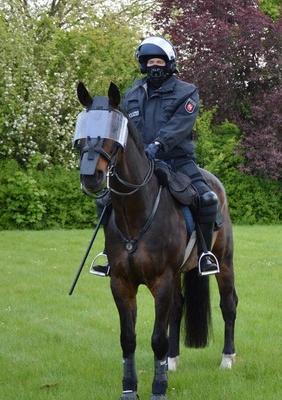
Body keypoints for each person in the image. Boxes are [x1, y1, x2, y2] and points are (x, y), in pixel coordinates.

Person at [91, 35, 219, 276]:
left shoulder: (187, 92)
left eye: (159, 62)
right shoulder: (131, 95)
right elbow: (121, 126)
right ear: (143, 65)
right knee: (104, 200)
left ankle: (204, 254)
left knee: (208, 198)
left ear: (169, 64)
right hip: (141, 163)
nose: (154, 67)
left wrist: (159, 144)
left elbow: (181, 124)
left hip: (178, 161)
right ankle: (109, 255)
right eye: (149, 62)